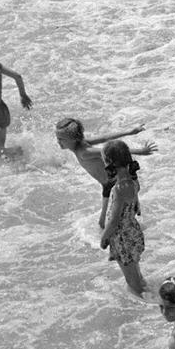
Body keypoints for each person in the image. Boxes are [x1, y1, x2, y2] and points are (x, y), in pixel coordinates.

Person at [54, 117, 155, 229]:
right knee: (105, 222)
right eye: (58, 138)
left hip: (116, 184)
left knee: (109, 222)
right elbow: (106, 137)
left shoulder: (84, 152)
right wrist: (130, 132)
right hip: (108, 184)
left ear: (73, 139)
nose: (58, 142)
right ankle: (135, 213)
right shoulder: (82, 144)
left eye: (61, 139)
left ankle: (138, 229)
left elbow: (114, 153)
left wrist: (140, 151)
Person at [100, 138, 145, 296]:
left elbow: (114, 220)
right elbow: (135, 204)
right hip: (133, 231)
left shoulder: (119, 189)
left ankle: (142, 302)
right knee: (136, 272)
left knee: (131, 280)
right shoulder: (133, 182)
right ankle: (145, 290)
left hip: (122, 237)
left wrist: (104, 237)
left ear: (109, 162)